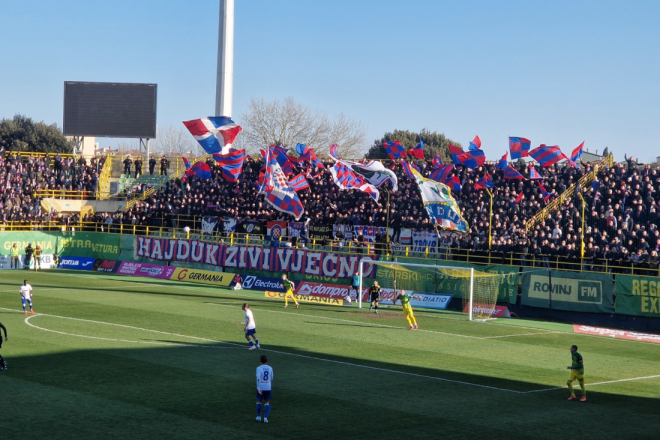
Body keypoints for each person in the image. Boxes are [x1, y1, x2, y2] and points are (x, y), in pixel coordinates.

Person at [255, 355, 273, 423]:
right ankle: (265, 418)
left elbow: (258, 378)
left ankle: (259, 416)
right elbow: (271, 378)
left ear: (260, 361)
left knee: (259, 401)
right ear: (266, 361)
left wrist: (258, 387)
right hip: (268, 387)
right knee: (267, 402)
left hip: (261, 387)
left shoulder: (258, 368)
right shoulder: (270, 368)